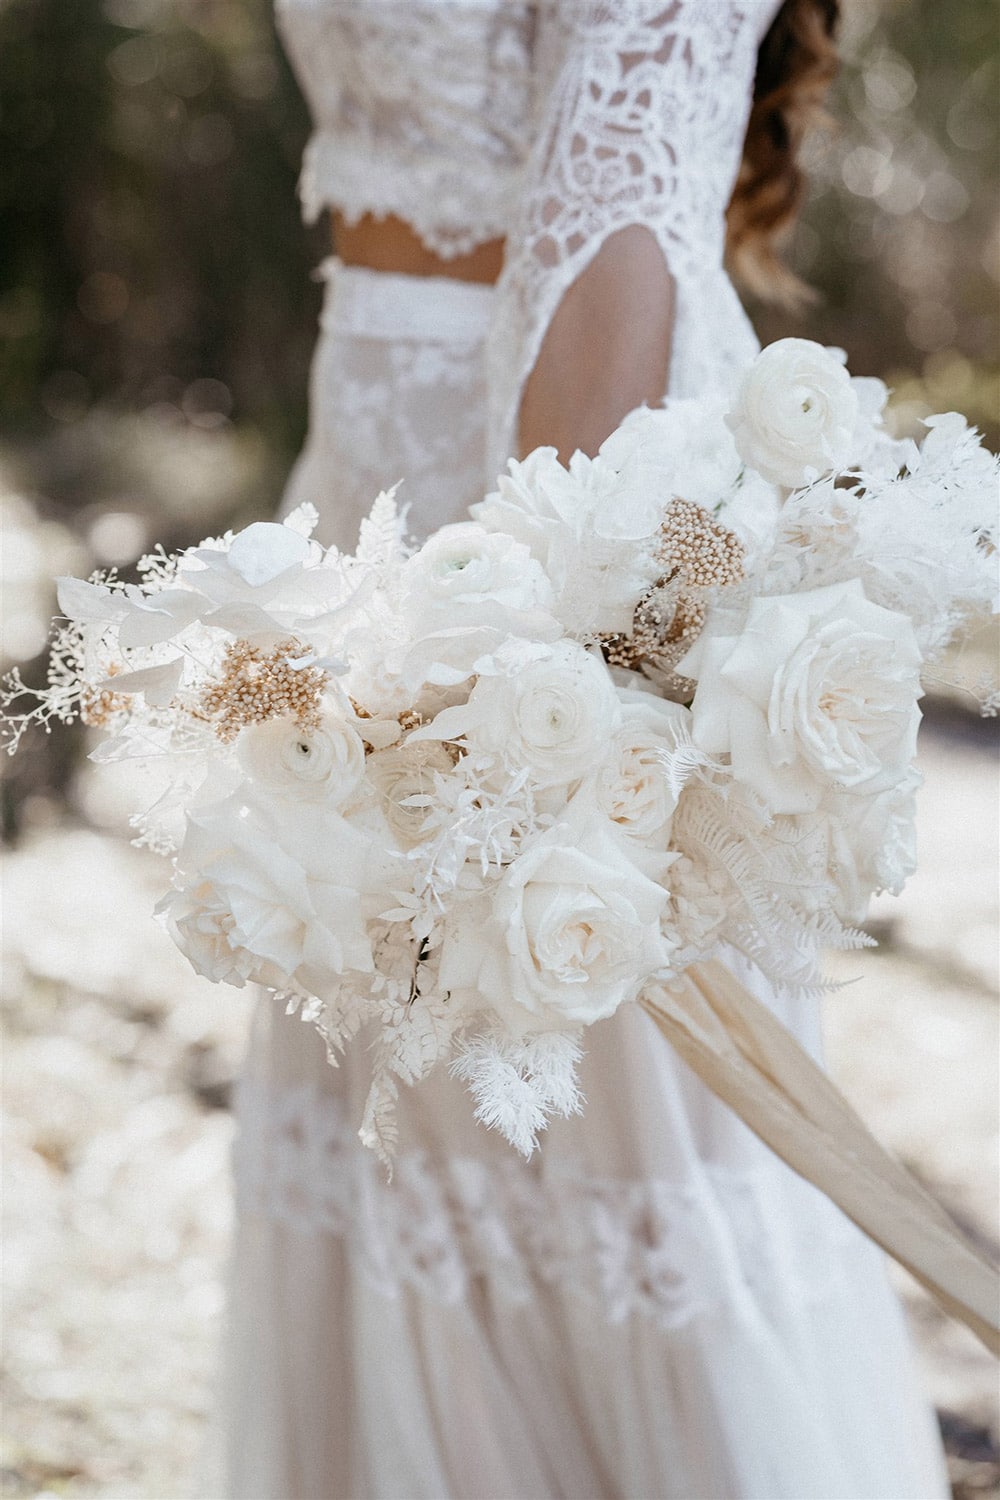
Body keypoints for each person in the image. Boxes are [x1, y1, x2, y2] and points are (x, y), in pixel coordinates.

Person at [220, 3, 951, 1495]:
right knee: (411, 1136)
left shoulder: (565, 557)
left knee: (612, 1123)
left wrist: (554, 662)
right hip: (377, 480)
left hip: (565, 504)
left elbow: (613, 222)